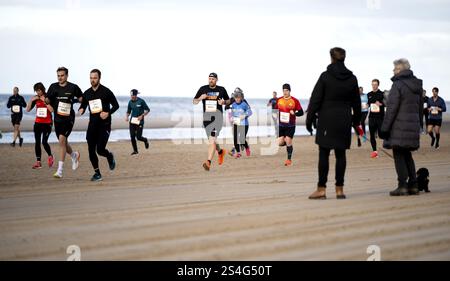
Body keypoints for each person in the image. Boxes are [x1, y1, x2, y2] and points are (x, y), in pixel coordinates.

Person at [306, 47, 362, 200]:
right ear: (344, 58)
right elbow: (356, 103)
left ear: (331, 58)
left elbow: (315, 99)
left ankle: (321, 189)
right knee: (340, 154)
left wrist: (309, 119)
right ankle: (339, 189)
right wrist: (357, 121)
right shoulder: (352, 78)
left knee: (324, 153)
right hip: (344, 118)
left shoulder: (325, 76)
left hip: (326, 119)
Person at [379, 58, 423, 196]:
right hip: (413, 125)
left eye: (394, 69)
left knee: (399, 154)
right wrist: (419, 125)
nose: (393, 71)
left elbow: (391, 109)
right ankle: (414, 185)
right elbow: (420, 108)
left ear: (400, 70)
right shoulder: (417, 85)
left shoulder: (398, 85)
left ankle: (402, 185)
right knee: (407, 154)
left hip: (399, 126)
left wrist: (385, 128)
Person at [79, 69, 119, 181]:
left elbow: (116, 105)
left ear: (99, 78)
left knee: (100, 150)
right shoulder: (87, 93)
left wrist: (108, 113)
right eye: (91, 78)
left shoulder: (106, 92)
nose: (92, 80)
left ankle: (109, 156)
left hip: (104, 125)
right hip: (92, 126)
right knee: (91, 150)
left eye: (95, 78)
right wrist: (81, 109)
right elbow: (83, 104)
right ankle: (97, 173)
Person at [45, 66, 83, 178]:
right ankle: (74, 155)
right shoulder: (53, 87)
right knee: (64, 143)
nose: (60, 78)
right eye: (58, 76)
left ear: (67, 75)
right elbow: (47, 99)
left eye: (62, 75)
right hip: (57, 119)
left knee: (61, 140)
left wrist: (81, 105)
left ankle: (60, 171)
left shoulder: (73, 87)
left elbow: (81, 98)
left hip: (69, 118)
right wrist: (47, 104)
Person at [193, 72, 230, 171]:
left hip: (217, 118)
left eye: (213, 79)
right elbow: (194, 101)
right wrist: (201, 98)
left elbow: (229, 101)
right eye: (209, 78)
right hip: (207, 119)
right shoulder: (203, 89)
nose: (211, 80)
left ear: (217, 80)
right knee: (211, 141)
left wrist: (224, 102)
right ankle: (221, 151)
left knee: (212, 140)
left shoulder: (221, 89)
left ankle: (208, 162)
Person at [26, 82, 54, 169]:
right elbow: (27, 110)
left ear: (42, 89)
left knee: (44, 142)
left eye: (39, 90)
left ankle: (50, 156)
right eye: (36, 91)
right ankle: (38, 162)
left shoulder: (48, 97)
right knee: (37, 142)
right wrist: (31, 100)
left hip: (47, 124)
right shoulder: (36, 99)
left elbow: (52, 110)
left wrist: (44, 101)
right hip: (38, 123)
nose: (38, 92)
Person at [275, 83, 303, 166]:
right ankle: (287, 144)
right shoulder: (279, 100)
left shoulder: (295, 100)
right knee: (279, 142)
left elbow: (301, 112)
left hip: (290, 125)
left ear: (289, 91)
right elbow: (274, 110)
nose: (285, 92)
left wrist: (294, 113)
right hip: (281, 125)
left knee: (288, 140)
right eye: (284, 91)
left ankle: (289, 159)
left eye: (286, 90)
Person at [125, 89, 150, 155]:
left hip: (140, 122)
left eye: (133, 95)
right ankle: (135, 151)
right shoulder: (130, 102)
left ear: (136, 95)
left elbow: (147, 110)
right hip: (132, 122)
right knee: (132, 136)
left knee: (138, 137)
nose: (132, 97)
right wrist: (127, 117)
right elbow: (128, 111)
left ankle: (145, 140)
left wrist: (142, 116)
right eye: (131, 95)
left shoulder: (141, 101)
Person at [229, 88, 252, 158]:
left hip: (244, 124)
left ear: (241, 98)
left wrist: (244, 115)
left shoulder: (244, 104)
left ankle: (247, 148)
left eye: (239, 98)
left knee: (241, 139)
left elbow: (250, 112)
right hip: (236, 123)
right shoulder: (233, 105)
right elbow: (232, 112)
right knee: (235, 138)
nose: (237, 99)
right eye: (236, 98)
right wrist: (231, 118)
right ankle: (238, 153)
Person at [367, 79, 385, 158]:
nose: (374, 86)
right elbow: (367, 103)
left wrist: (381, 104)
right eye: (373, 84)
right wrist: (366, 105)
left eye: (375, 84)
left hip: (380, 117)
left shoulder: (382, 94)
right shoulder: (369, 94)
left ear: (378, 85)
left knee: (381, 134)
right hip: (371, 117)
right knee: (372, 135)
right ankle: (375, 151)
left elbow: (386, 103)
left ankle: (389, 139)